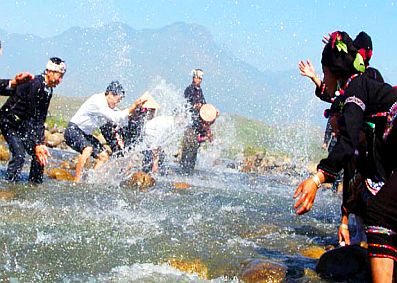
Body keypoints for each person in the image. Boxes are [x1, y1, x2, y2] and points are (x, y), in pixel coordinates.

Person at [293, 31, 397, 282]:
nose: (323, 77)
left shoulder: (357, 87)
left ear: (334, 69)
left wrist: (317, 179)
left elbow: (348, 141)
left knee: (380, 215)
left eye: (324, 71)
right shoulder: (354, 89)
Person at [0, 57, 66, 183]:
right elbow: (30, 117)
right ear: (49, 71)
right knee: (19, 155)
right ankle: (8, 187)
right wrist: (37, 144)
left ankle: (34, 186)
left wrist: (40, 143)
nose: (60, 80)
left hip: (22, 124)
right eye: (59, 75)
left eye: (62, 76)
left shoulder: (48, 90)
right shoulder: (35, 84)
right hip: (8, 122)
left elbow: (40, 119)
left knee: (39, 155)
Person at [64, 81, 145, 182]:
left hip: (85, 134)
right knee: (88, 148)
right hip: (72, 130)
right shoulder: (98, 101)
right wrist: (133, 106)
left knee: (104, 156)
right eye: (117, 100)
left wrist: (136, 112)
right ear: (110, 94)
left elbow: (122, 120)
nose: (117, 103)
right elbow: (115, 117)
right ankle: (76, 182)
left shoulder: (109, 107)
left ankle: (90, 181)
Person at [180, 102, 218, 174]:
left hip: (193, 144)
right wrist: (206, 138)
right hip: (190, 142)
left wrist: (209, 136)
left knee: (191, 162)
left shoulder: (203, 122)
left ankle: (187, 174)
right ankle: (185, 175)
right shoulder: (196, 123)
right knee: (187, 162)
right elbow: (197, 138)